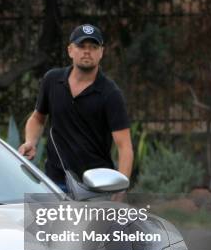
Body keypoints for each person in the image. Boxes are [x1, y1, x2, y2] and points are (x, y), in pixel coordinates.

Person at [19, 24, 133, 193]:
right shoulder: (52, 80)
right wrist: (30, 141)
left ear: (101, 52)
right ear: (70, 50)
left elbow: (125, 147)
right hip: (54, 183)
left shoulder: (110, 93)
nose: (87, 51)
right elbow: (37, 118)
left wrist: (120, 189)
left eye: (93, 47)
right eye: (81, 46)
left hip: (96, 186)